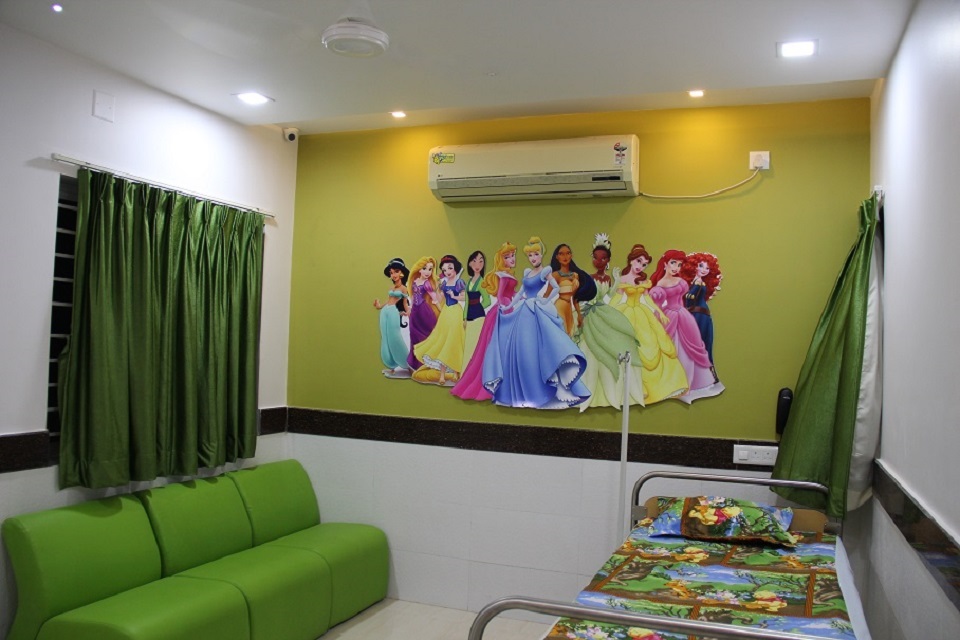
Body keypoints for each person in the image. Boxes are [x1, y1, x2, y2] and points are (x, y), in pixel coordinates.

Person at [482, 236, 590, 409]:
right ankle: (522, 392)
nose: (533, 258)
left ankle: (546, 388)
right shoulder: (527, 273)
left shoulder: (545, 271)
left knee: (540, 346)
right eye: (530, 255)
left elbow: (556, 288)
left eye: (536, 254)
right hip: (524, 309)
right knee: (521, 349)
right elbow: (521, 293)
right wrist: (509, 306)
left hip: (536, 309)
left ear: (541, 254)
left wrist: (545, 300)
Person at [609, 244, 689, 404]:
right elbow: (616, 299)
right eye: (639, 261)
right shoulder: (623, 280)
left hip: (642, 314)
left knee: (652, 343)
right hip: (627, 314)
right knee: (630, 348)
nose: (641, 266)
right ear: (631, 260)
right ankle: (636, 386)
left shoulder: (644, 281)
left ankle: (668, 383)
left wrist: (659, 312)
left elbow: (647, 299)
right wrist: (609, 314)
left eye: (644, 264)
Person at [576, 234, 644, 411]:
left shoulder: (607, 279)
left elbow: (608, 297)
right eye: (596, 258)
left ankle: (619, 388)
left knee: (617, 343)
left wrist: (616, 280)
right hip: (590, 314)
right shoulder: (588, 277)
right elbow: (583, 296)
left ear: (608, 260)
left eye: (603, 258)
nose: (599, 261)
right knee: (588, 347)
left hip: (603, 312)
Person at [649, 249, 724, 402]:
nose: (676, 267)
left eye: (679, 264)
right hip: (670, 315)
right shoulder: (661, 284)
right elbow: (658, 304)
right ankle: (672, 381)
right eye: (673, 263)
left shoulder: (682, 282)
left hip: (684, 315)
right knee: (671, 347)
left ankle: (693, 381)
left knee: (692, 344)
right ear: (665, 264)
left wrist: (684, 312)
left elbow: (683, 300)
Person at [451, 242, 518, 401]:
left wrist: (517, 299)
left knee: (494, 347)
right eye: (507, 256)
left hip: (488, 313)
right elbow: (499, 296)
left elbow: (492, 299)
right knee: (478, 348)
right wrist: (466, 316)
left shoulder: (501, 276)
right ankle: (473, 377)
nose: (512, 259)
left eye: (513, 255)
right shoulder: (477, 281)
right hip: (497, 310)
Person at [414, 255, 466, 385]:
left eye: (450, 268)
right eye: (444, 269)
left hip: (456, 312)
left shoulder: (459, 282)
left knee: (455, 341)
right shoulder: (444, 284)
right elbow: (439, 298)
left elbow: (464, 297)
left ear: (455, 268)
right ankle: (442, 374)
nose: (447, 271)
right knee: (444, 341)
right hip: (446, 313)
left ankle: (456, 372)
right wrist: (436, 288)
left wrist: (454, 296)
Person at [680, 252, 723, 364]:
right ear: (693, 266)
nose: (704, 270)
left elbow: (689, 297)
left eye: (707, 268)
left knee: (699, 341)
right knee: (698, 341)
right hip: (697, 313)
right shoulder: (696, 281)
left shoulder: (699, 282)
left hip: (699, 314)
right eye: (701, 266)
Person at [372, 257, 410, 378]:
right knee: (385, 337)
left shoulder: (404, 289)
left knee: (394, 336)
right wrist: (379, 306)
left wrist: (408, 312)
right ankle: (391, 365)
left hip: (394, 311)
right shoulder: (391, 288)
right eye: (391, 273)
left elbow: (405, 303)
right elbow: (388, 301)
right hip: (385, 312)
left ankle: (407, 363)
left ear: (402, 273)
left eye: (396, 272)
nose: (393, 275)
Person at [549, 243, 596, 337]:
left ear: (571, 255)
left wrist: (579, 314)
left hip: (569, 308)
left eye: (568, 253)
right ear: (557, 257)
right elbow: (547, 294)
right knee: (561, 333)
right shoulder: (555, 275)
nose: (565, 257)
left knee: (570, 333)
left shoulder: (575, 275)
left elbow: (575, 298)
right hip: (559, 306)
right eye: (561, 254)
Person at [404, 256, 441, 371]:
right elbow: (412, 297)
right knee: (414, 335)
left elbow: (434, 298)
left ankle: (428, 362)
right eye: (425, 268)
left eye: (430, 269)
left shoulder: (427, 284)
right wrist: (410, 308)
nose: (427, 272)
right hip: (415, 312)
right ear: (419, 269)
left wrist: (441, 311)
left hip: (424, 312)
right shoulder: (414, 282)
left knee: (427, 336)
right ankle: (416, 363)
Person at [462, 250, 491, 366]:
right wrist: (464, 318)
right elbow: (467, 302)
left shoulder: (482, 282)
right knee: (467, 345)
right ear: (470, 263)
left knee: (476, 345)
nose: (477, 265)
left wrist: (478, 308)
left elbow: (487, 301)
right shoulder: (469, 282)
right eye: (474, 261)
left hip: (478, 318)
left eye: (481, 261)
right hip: (469, 318)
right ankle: (465, 371)